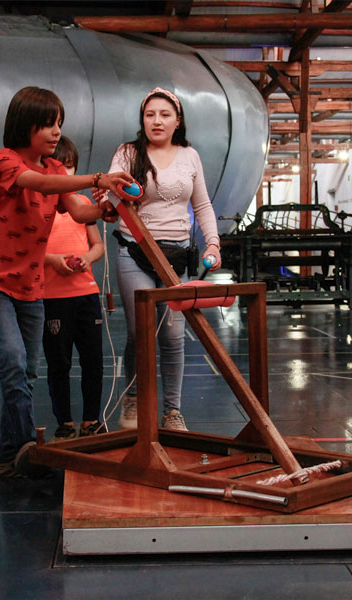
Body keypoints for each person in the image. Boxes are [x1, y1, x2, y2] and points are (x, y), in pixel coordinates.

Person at [0, 86, 132, 478]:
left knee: (26, 371)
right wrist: (99, 177)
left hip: (30, 285)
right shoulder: (5, 161)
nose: (57, 132)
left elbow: (79, 212)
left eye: (59, 124)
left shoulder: (56, 168)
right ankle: (27, 448)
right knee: (13, 359)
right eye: (48, 124)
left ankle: (7, 456)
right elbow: (38, 184)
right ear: (25, 125)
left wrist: (106, 208)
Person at [107, 87, 222, 432]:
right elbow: (111, 196)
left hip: (176, 256)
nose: (156, 121)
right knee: (139, 331)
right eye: (150, 115)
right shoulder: (127, 153)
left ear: (177, 120)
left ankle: (172, 411)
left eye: (164, 114)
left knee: (173, 336)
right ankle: (133, 398)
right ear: (142, 120)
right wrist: (108, 198)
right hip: (135, 250)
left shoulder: (190, 156)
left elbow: (202, 205)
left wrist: (213, 244)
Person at [42, 136, 105, 440]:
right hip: (53, 297)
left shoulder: (83, 203)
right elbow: (29, 248)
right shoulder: (39, 206)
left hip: (86, 294)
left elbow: (98, 246)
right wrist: (53, 260)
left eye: (70, 167)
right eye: (58, 167)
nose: (65, 174)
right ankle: (64, 423)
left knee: (93, 360)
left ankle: (91, 420)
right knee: (59, 363)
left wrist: (87, 258)